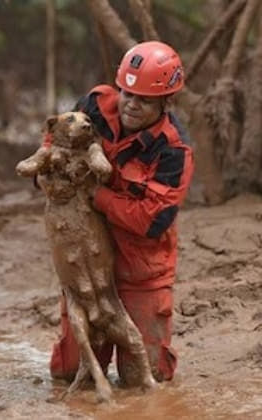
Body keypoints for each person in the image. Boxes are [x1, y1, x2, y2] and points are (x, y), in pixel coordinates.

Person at [47, 41, 194, 384]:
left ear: (165, 101)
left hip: (141, 267)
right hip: (85, 258)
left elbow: (152, 219)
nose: (131, 104)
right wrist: (48, 171)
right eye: (127, 93)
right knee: (71, 374)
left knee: (145, 378)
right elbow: (54, 140)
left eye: (144, 99)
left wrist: (95, 195)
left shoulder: (173, 151)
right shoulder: (94, 106)